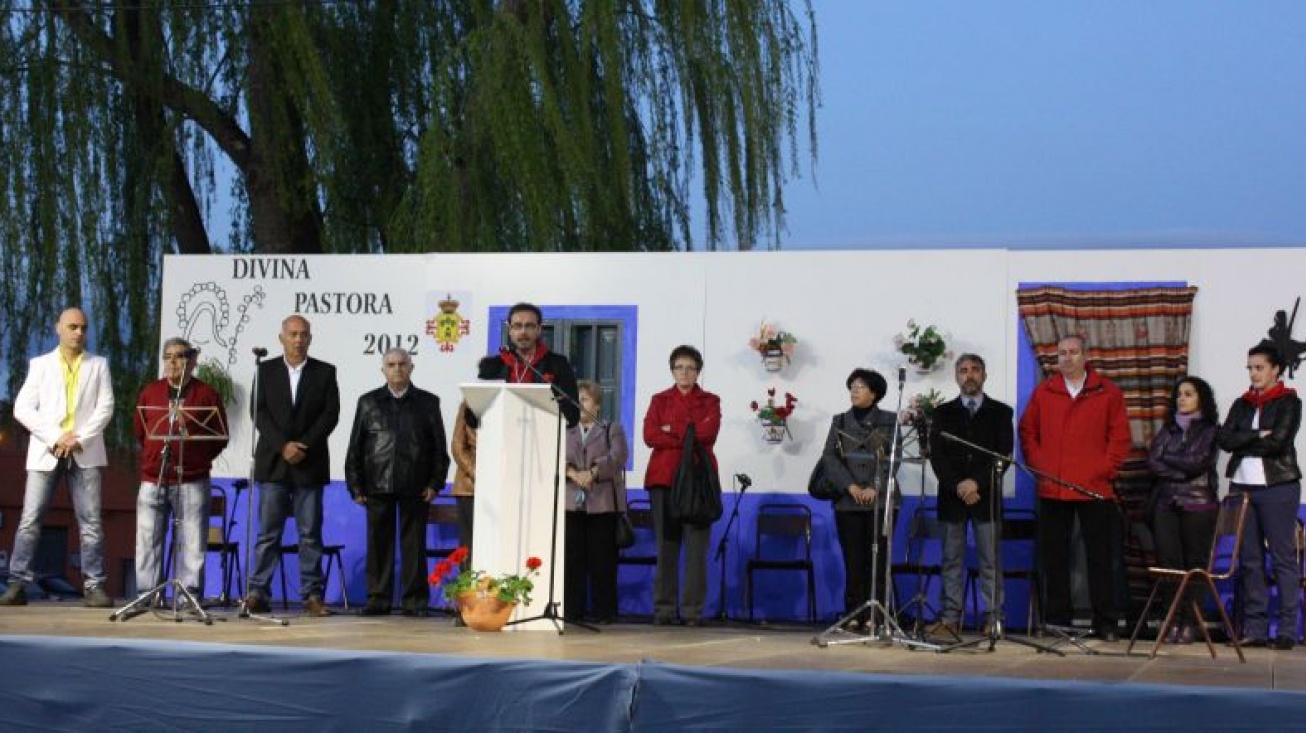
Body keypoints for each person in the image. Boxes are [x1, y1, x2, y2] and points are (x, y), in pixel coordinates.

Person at [0, 307, 116, 607]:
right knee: (30, 519)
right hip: (47, 450)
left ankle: (94, 586)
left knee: (91, 522)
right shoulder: (40, 365)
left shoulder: (99, 365)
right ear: (58, 328)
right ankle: (16, 584)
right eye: (73, 326)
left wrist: (78, 439)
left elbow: (106, 408)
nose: (79, 332)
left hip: (84, 451)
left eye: (83, 327)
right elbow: (22, 408)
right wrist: (55, 437)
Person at [1019, 334, 1131, 640]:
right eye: (1061, 353)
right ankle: (1057, 620)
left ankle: (1106, 622)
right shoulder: (1044, 392)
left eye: (1073, 352)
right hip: (1053, 489)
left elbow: (1119, 438)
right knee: (1055, 559)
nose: (1066, 358)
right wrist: (1042, 467)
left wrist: (1103, 470)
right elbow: (1028, 432)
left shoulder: (1108, 393)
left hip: (1095, 489)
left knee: (1101, 558)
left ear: (1085, 356)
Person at [246, 315, 341, 617]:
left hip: (309, 463)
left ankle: (312, 595)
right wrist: (282, 445)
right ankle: (258, 592)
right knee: (268, 534)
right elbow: (258, 413)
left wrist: (304, 445)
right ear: (281, 337)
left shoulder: (325, 372)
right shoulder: (265, 370)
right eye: (293, 334)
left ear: (310, 338)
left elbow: (330, 415)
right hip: (274, 462)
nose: (298, 340)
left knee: (310, 534)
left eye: (303, 335)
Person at [346, 348, 450, 617]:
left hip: (416, 487)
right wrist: (356, 486)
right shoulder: (368, 402)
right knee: (378, 546)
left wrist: (435, 483)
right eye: (391, 364)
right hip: (376, 486)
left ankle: (415, 602)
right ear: (383, 370)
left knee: (414, 547)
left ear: (411, 368)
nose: (397, 369)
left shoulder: (429, 402)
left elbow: (440, 449)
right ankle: (378, 600)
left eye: (402, 364)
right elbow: (355, 447)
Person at [1218, 343, 1302, 650]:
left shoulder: (1290, 402)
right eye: (1250, 368)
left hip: (1278, 485)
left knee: (1282, 559)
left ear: (1275, 369)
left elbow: (1279, 442)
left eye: (1259, 368)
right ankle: (1254, 627)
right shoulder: (1242, 404)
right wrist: (1257, 435)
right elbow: (1225, 439)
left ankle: (1287, 630)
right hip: (1243, 488)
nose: (1254, 374)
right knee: (1250, 559)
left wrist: (1249, 440)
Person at [133, 338, 229, 604]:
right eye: (168, 357)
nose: (173, 362)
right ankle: (147, 594)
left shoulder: (207, 395)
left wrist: (196, 458)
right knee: (147, 539)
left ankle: (188, 594)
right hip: (154, 477)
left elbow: (219, 438)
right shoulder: (150, 393)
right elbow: (141, 432)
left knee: (192, 540)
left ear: (193, 361)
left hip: (192, 478)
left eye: (180, 356)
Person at [927, 354, 1014, 637]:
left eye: (975, 370)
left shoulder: (1001, 412)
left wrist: (976, 483)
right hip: (952, 498)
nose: (970, 375)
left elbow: (1004, 455)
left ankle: (994, 618)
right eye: (963, 371)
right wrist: (960, 486)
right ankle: (951, 618)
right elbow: (937, 457)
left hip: (985, 498)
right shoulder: (942, 413)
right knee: (952, 559)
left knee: (991, 561)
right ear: (956, 377)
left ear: (984, 375)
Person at [643, 345, 720, 626]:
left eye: (690, 367)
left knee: (696, 552)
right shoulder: (659, 400)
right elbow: (650, 435)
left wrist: (670, 429)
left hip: (698, 482)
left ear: (698, 371)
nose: (684, 372)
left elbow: (707, 433)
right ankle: (664, 610)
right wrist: (687, 431)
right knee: (666, 548)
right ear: (672, 371)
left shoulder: (711, 400)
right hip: (662, 481)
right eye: (679, 367)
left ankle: (692, 611)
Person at [821, 368, 898, 631]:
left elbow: (894, 457)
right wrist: (850, 486)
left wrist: (875, 487)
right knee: (853, 559)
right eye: (852, 386)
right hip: (848, 501)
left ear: (874, 393)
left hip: (880, 500)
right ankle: (854, 611)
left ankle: (876, 614)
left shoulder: (890, 420)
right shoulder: (839, 421)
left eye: (861, 386)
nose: (854, 390)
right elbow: (829, 458)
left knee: (878, 558)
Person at [1146, 376, 1220, 645]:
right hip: (1166, 504)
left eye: (1188, 394)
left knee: (1195, 567)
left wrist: (1171, 461)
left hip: (1199, 505)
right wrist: (1179, 469)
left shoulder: (1211, 430)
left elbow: (1198, 463)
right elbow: (1153, 462)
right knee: (1170, 567)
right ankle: (1171, 621)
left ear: (1201, 398)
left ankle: (1190, 623)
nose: (1182, 399)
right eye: (1179, 394)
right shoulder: (1167, 430)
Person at [564, 380, 630, 624]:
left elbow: (618, 456)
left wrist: (592, 473)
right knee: (572, 561)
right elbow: (557, 457)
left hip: (602, 504)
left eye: (585, 399)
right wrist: (573, 474)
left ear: (598, 405)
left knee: (602, 561)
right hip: (572, 504)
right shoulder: (566, 430)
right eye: (576, 399)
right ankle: (572, 611)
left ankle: (604, 611)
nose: (580, 404)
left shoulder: (611, 429)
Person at [479, 302, 580, 427]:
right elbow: (474, 414)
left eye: (529, 326)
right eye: (517, 326)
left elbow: (573, 415)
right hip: (500, 436)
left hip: (544, 436)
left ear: (538, 329)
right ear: (510, 330)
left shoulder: (558, 364)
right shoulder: (492, 367)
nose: (523, 331)